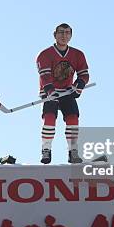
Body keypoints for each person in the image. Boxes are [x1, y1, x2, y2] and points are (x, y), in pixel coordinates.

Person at [36, 23, 89, 164]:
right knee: (49, 118)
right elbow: (45, 76)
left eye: (67, 32)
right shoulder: (45, 54)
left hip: (67, 92)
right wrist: (50, 91)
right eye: (61, 32)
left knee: (73, 119)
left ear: (71, 35)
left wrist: (79, 86)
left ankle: (73, 151)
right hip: (50, 93)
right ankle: (46, 149)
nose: (64, 35)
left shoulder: (78, 54)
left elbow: (84, 74)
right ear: (55, 35)